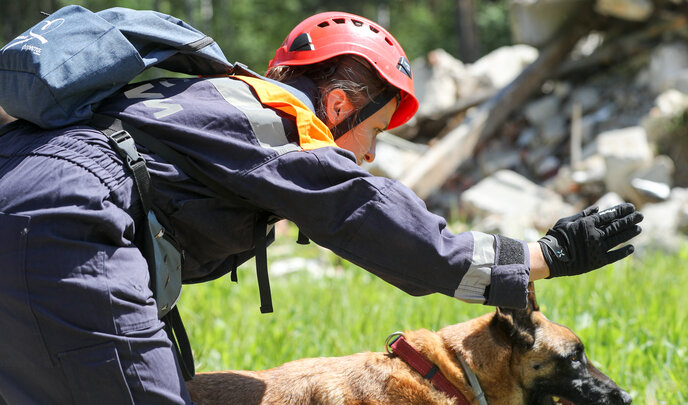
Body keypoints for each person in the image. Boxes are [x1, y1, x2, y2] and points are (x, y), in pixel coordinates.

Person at [0, 10, 642, 404]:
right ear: (339, 105)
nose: (366, 157)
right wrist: (542, 257)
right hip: (63, 228)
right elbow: (373, 218)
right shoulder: (274, 117)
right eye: (376, 133)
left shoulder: (190, 97)